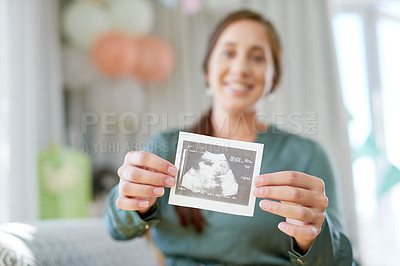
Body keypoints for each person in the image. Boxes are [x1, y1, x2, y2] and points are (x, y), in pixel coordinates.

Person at [105, 10, 354, 265]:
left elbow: (340, 261)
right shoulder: (166, 146)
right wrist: (131, 197)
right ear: (207, 71)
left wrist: (312, 238)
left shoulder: (307, 156)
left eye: (257, 58)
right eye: (228, 53)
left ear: (273, 79)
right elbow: (118, 229)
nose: (240, 68)